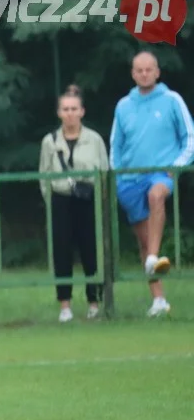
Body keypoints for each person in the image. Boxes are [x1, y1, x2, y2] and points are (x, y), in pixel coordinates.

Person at [110, 51, 194, 317]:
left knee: (156, 197)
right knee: (143, 239)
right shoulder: (124, 105)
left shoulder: (172, 100)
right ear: (133, 74)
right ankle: (158, 300)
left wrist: (176, 166)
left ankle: (153, 258)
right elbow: (115, 144)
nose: (144, 74)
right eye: (139, 70)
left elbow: (189, 136)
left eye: (149, 69)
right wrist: (118, 173)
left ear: (157, 72)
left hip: (161, 174)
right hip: (129, 178)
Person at [38, 86, 108, 323]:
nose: (69, 114)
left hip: (88, 200)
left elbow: (104, 171)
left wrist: (100, 198)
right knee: (61, 253)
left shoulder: (94, 139)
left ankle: (94, 303)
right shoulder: (49, 141)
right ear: (59, 112)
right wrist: (51, 199)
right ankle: (65, 306)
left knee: (91, 252)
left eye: (74, 109)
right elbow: (43, 174)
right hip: (61, 199)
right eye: (65, 109)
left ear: (82, 111)